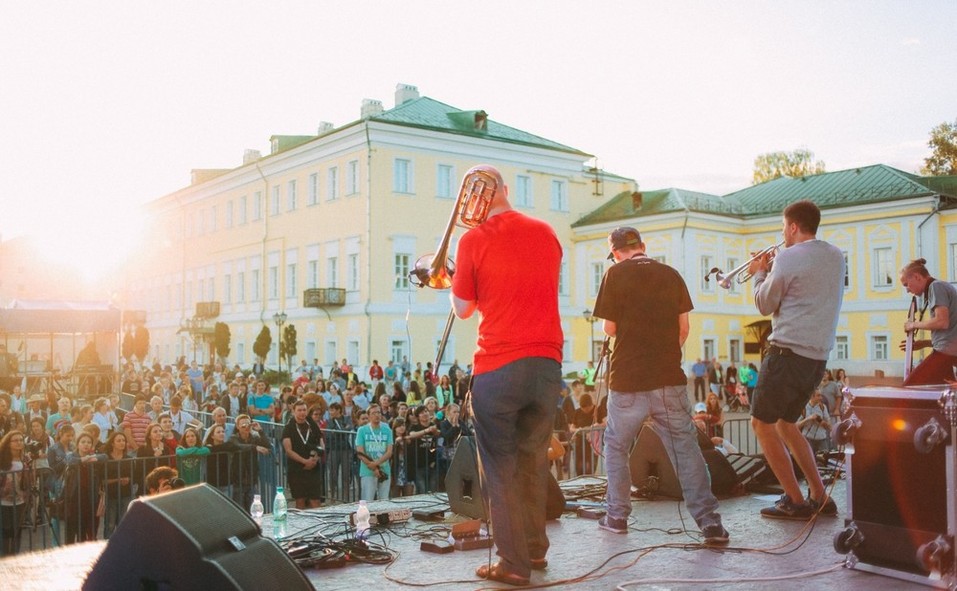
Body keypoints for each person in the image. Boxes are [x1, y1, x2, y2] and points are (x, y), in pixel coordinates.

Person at [450, 164, 562, 586]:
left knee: (498, 466)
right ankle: (534, 549)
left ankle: (512, 563)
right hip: (547, 363)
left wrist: (450, 280)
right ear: (506, 190)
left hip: (498, 364)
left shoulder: (473, 239)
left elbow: (463, 308)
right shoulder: (546, 232)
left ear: (474, 199)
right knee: (533, 460)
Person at [594, 225, 728, 545]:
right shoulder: (671, 274)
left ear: (614, 253)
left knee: (616, 446)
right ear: (642, 246)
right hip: (669, 379)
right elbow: (684, 329)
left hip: (627, 380)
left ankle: (616, 516)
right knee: (685, 450)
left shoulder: (614, 276)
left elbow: (609, 327)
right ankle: (709, 523)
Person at [748, 199, 843, 520]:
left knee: (761, 424)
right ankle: (819, 495)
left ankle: (794, 499)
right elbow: (805, 284)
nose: (782, 235)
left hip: (786, 353)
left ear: (792, 227)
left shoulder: (787, 258)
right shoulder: (835, 255)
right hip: (817, 358)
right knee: (786, 424)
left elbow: (764, 304)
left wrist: (761, 273)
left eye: (783, 228)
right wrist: (778, 265)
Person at [900, 258, 957, 386]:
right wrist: (925, 343)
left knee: (909, 388)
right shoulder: (940, 287)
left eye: (906, 284)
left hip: (945, 354)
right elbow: (951, 333)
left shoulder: (935, 287)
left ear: (917, 277)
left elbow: (942, 322)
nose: (907, 290)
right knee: (941, 396)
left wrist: (912, 324)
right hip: (947, 353)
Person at [282, 400, 324, 509]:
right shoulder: (288, 427)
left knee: (315, 501)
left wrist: (314, 460)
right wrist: (304, 461)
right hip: (297, 469)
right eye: (299, 410)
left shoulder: (311, 423)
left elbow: (321, 443)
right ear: (293, 411)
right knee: (300, 501)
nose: (302, 413)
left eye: (304, 410)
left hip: (313, 468)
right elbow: (288, 450)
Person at [0, 430, 30, 555]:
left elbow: (30, 481)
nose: (19, 443)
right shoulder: (2, 459)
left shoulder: (25, 459)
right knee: (5, 533)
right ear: (8, 443)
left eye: (21, 440)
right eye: (15, 440)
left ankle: (14, 557)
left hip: (19, 501)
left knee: (17, 532)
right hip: (3, 502)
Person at [354, 405, 392, 502]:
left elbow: (389, 452)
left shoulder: (387, 429)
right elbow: (360, 452)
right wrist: (374, 467)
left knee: (384, 500)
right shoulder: (362, 430)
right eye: (374, 413)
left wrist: (376, 464)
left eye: (378, 412)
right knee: (368, 500)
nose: (377, 415)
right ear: (369, 416)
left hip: (384, 469)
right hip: (368, 470)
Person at [100, 431, 134, 537]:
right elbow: (102, 479)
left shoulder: (128, 458)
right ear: (112, 443)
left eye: (123, 440)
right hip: (111, 495)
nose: (122, 443)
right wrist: (118, 480)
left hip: (126, 494)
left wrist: (128, 480)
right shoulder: (106, 458)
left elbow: (133, 476)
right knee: (110, 524)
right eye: (118, 440)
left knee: (123, 523)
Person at [800, 390, 831, 454]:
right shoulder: (804, 407)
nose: (821, 398)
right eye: (818, 395)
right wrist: (808, 419)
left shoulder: (822, 407)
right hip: (807, 439)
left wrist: (820, 421)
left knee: (824, 460)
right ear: (812, 396)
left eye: (821, 395)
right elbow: (796, 426)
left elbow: (829, 426)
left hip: (821, 439)